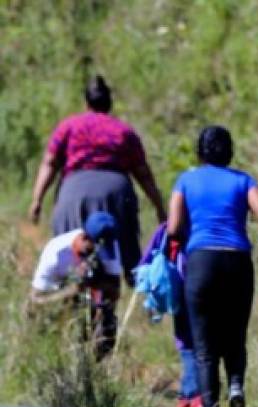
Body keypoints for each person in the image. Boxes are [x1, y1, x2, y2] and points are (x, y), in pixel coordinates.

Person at [167, 125, 258, 407]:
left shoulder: (186, 180)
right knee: (235, 337)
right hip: (237, 264)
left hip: (202, 263)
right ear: (229, 151)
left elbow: (174, 227)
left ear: (200, 151)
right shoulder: (243, 180)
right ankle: (236, 390)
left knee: (205, 348)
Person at [28, 75, 167, 283]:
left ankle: (73, 299)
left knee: (71, 249)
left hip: (75, 192)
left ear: (86, 103)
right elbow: (143, 173)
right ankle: (135, 297)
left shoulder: (69, 127)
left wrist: (37, 199)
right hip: (116, 191)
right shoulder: (123, 132)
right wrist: (159, 206)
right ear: (109, 103)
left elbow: (50, 163)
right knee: (124, 247)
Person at [30, 211, 122, 359]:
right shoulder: (55, 253)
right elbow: (35, 300)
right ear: (84, 238)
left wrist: (96, 284)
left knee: (107, 323)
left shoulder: (110, 246)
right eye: (93, 249)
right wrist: (71, 291)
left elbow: (116, 292)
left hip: (91, 304)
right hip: (60, 305)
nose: (98, 254)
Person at [137, 223, 202, 407]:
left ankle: (190, 399)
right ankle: (193, 397)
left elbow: (145, 262)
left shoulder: (169, 226)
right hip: (207, 287)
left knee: (188, 346)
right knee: (201, 345)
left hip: (180, 290)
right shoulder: (206, 224)